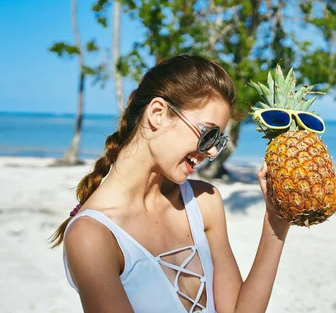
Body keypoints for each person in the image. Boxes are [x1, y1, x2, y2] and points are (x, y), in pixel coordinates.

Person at [51, 54, 290, 313]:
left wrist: (276, 224)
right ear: (158, 114)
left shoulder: (204, 202)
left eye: (218, 142)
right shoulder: (93, 236)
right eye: (208, 134)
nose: (211, 152)